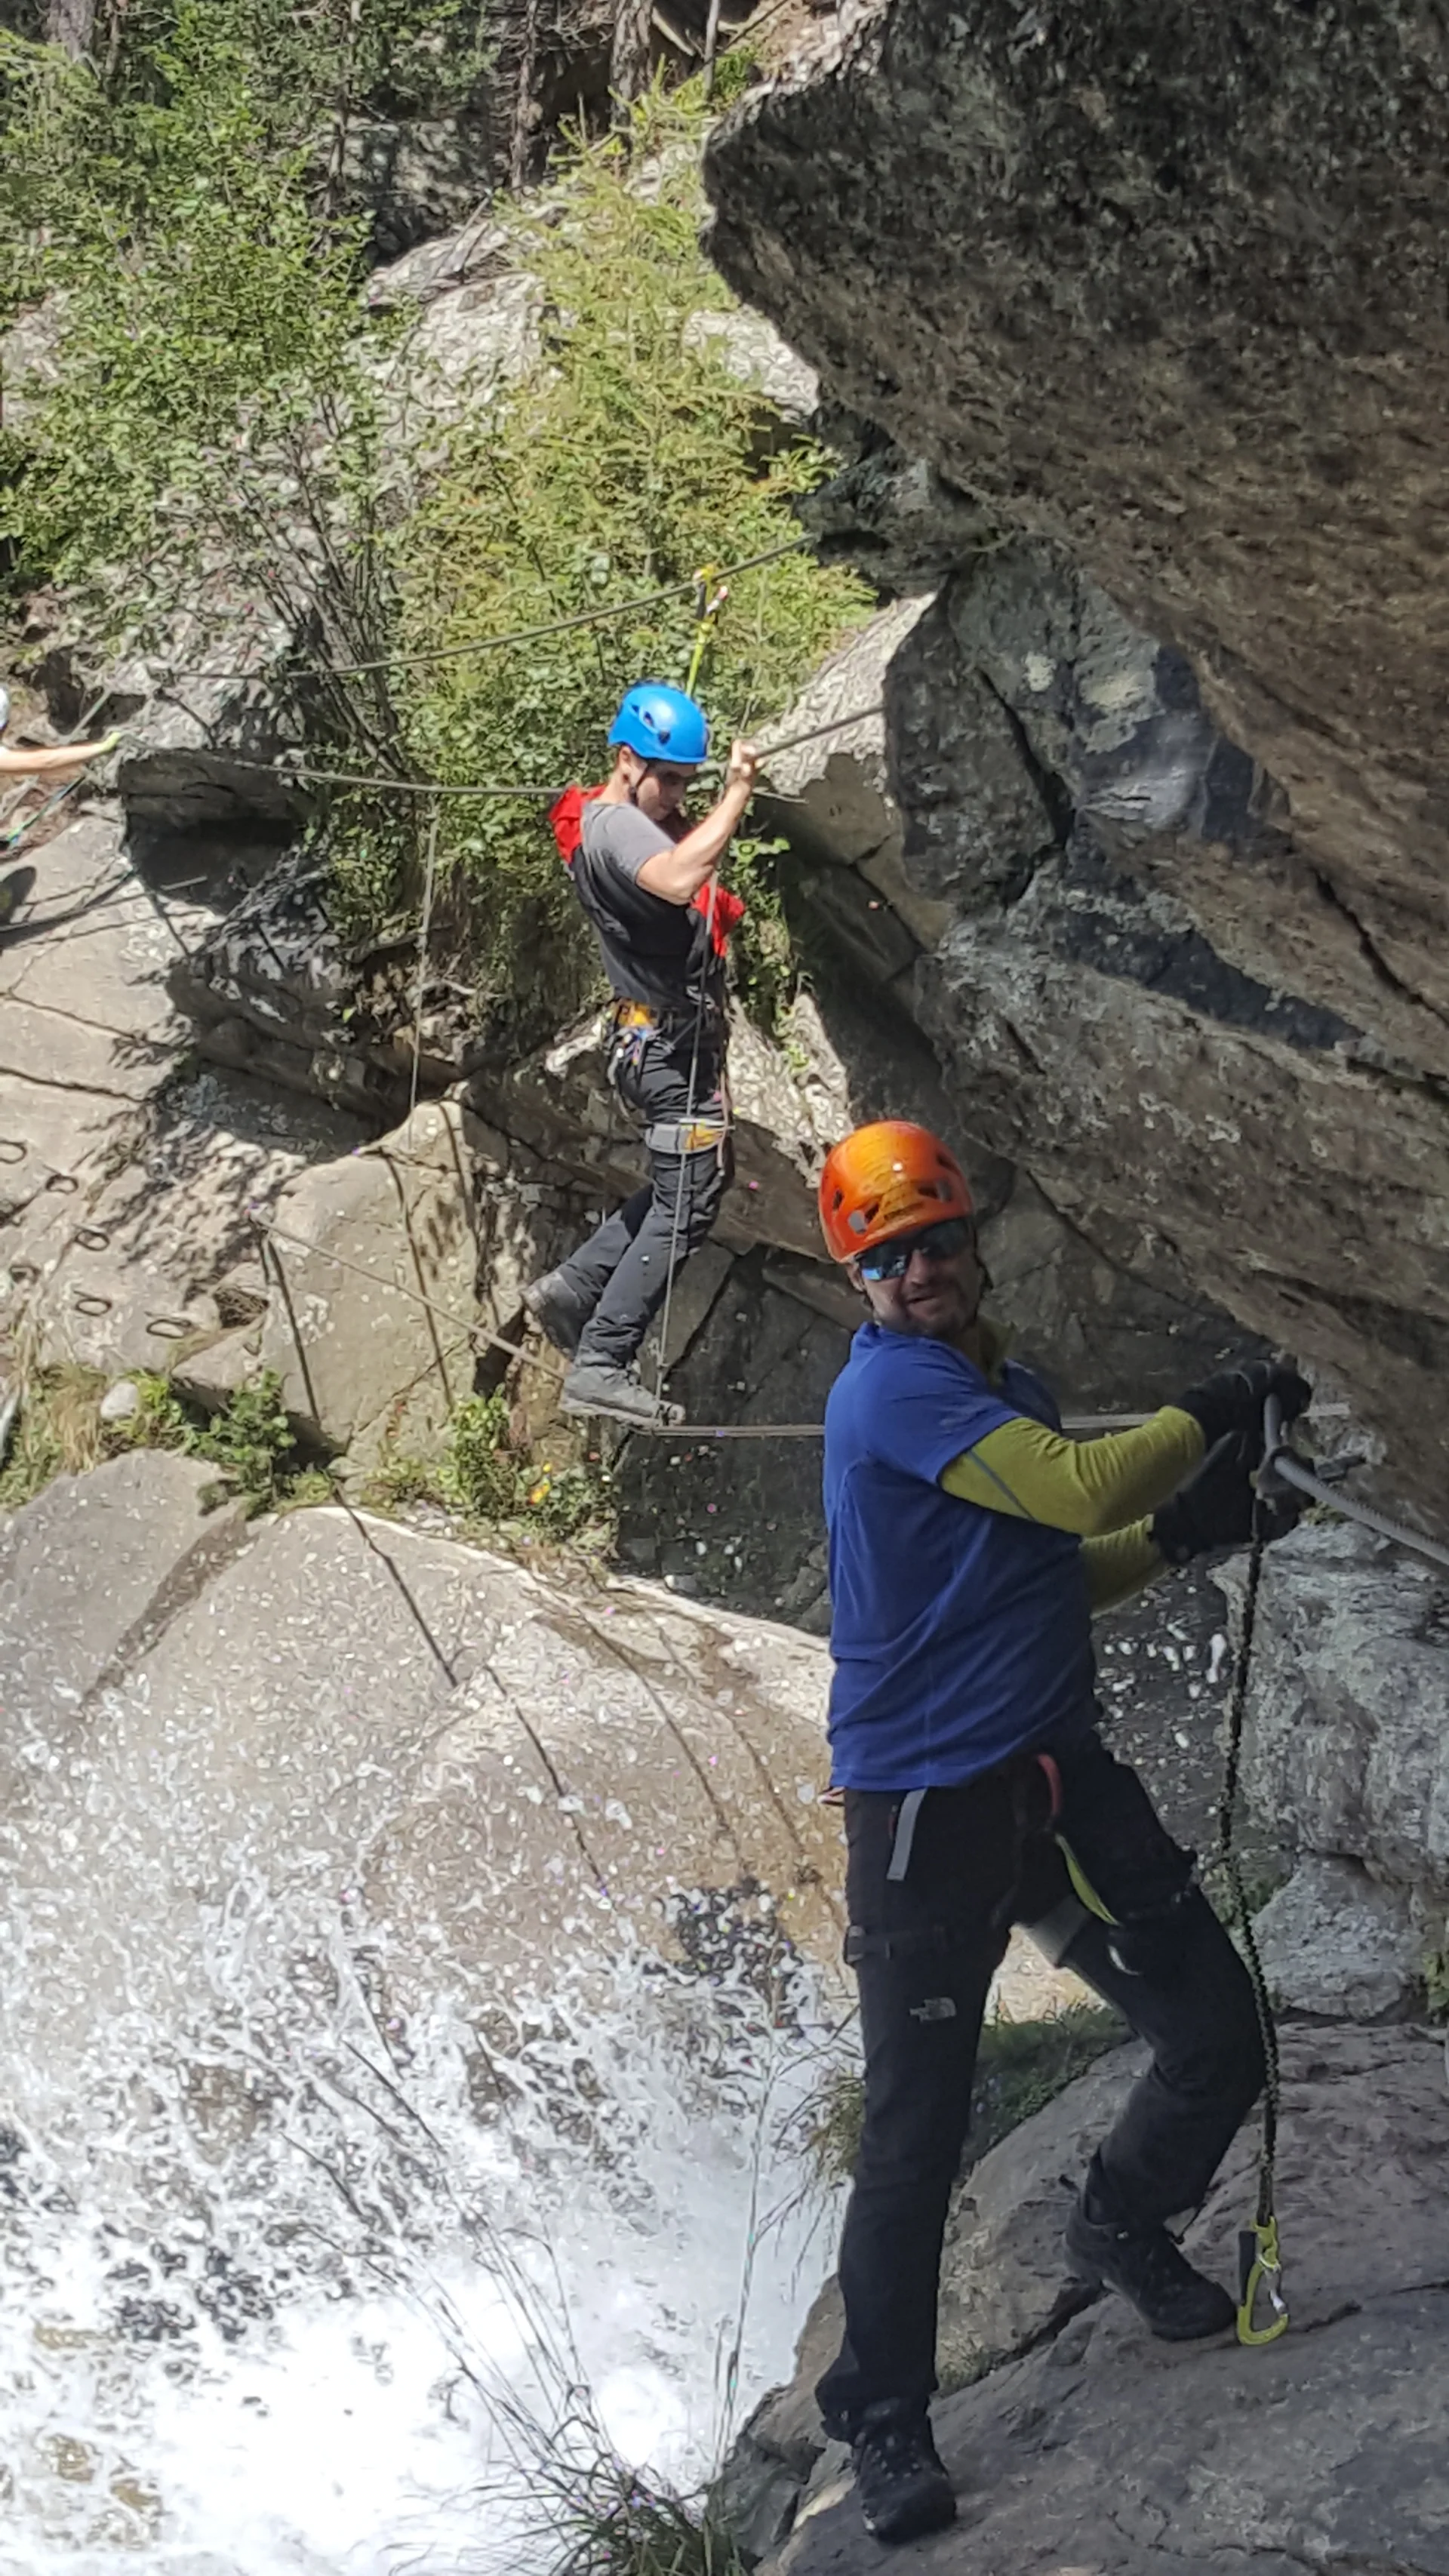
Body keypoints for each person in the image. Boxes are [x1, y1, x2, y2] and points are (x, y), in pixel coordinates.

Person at [812, 1117, 1311, 2546]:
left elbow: (1054, 1566)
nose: (922, 1270)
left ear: (972, 1241)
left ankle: (1122, 2220)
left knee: (1217, 2028)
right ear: (860, 1274)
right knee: (918, 2126)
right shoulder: (895, 1396)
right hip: (926, 1813)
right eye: (890, 1253)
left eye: (938, 1240)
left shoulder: (995, 1385)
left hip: (1050, 1779)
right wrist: (1215, 1407)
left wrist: (1194, 1533)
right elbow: (1090, 1482)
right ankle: (884, 2418)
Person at [525, 681, 758, 1426]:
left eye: (688, 779)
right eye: (671, 778)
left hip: (645, 1039)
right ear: (627, 760)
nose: (677, 793)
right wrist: (736, 793)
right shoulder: (619, 828)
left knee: (673, 1190)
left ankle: (571, 1288)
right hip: (666, 1047)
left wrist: (692, 811)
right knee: (689, 1201)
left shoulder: (601, 825)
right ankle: (601, 1361)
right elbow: (679, 876)